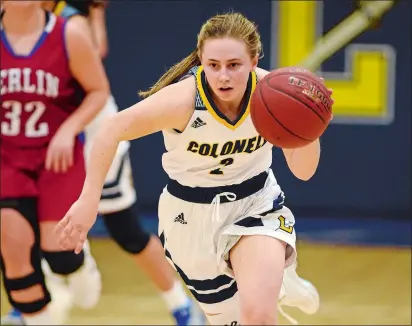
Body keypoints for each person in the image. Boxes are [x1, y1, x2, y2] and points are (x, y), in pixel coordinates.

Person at [55, 12, 328, 325]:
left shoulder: (273, 96)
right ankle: (277, 280)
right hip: (190, 218)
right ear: (201, 61)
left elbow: (304, 171)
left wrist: (310, 125)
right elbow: (111, 128)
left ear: (253, 61)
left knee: (259, 319)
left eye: (234, 65)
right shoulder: (184, 100)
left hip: (256, 205)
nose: (223, 76)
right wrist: (89, 201)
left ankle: (272, 274)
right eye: (213, 65)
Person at [2, 1, 205, 325]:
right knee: (20, 219)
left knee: (124, 229)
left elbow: (96, 57)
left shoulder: (68, 20)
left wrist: (94, 13)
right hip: (36, 140)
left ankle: (180, 304)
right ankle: (29, 299)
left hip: (92, 132)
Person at [0, 1, 109, 324]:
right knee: (14, 251)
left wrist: (68, 129)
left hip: (56, 158)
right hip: (8, 159)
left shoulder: (69, 33)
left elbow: (99, 91)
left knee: (60, 254)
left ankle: (78, 263)